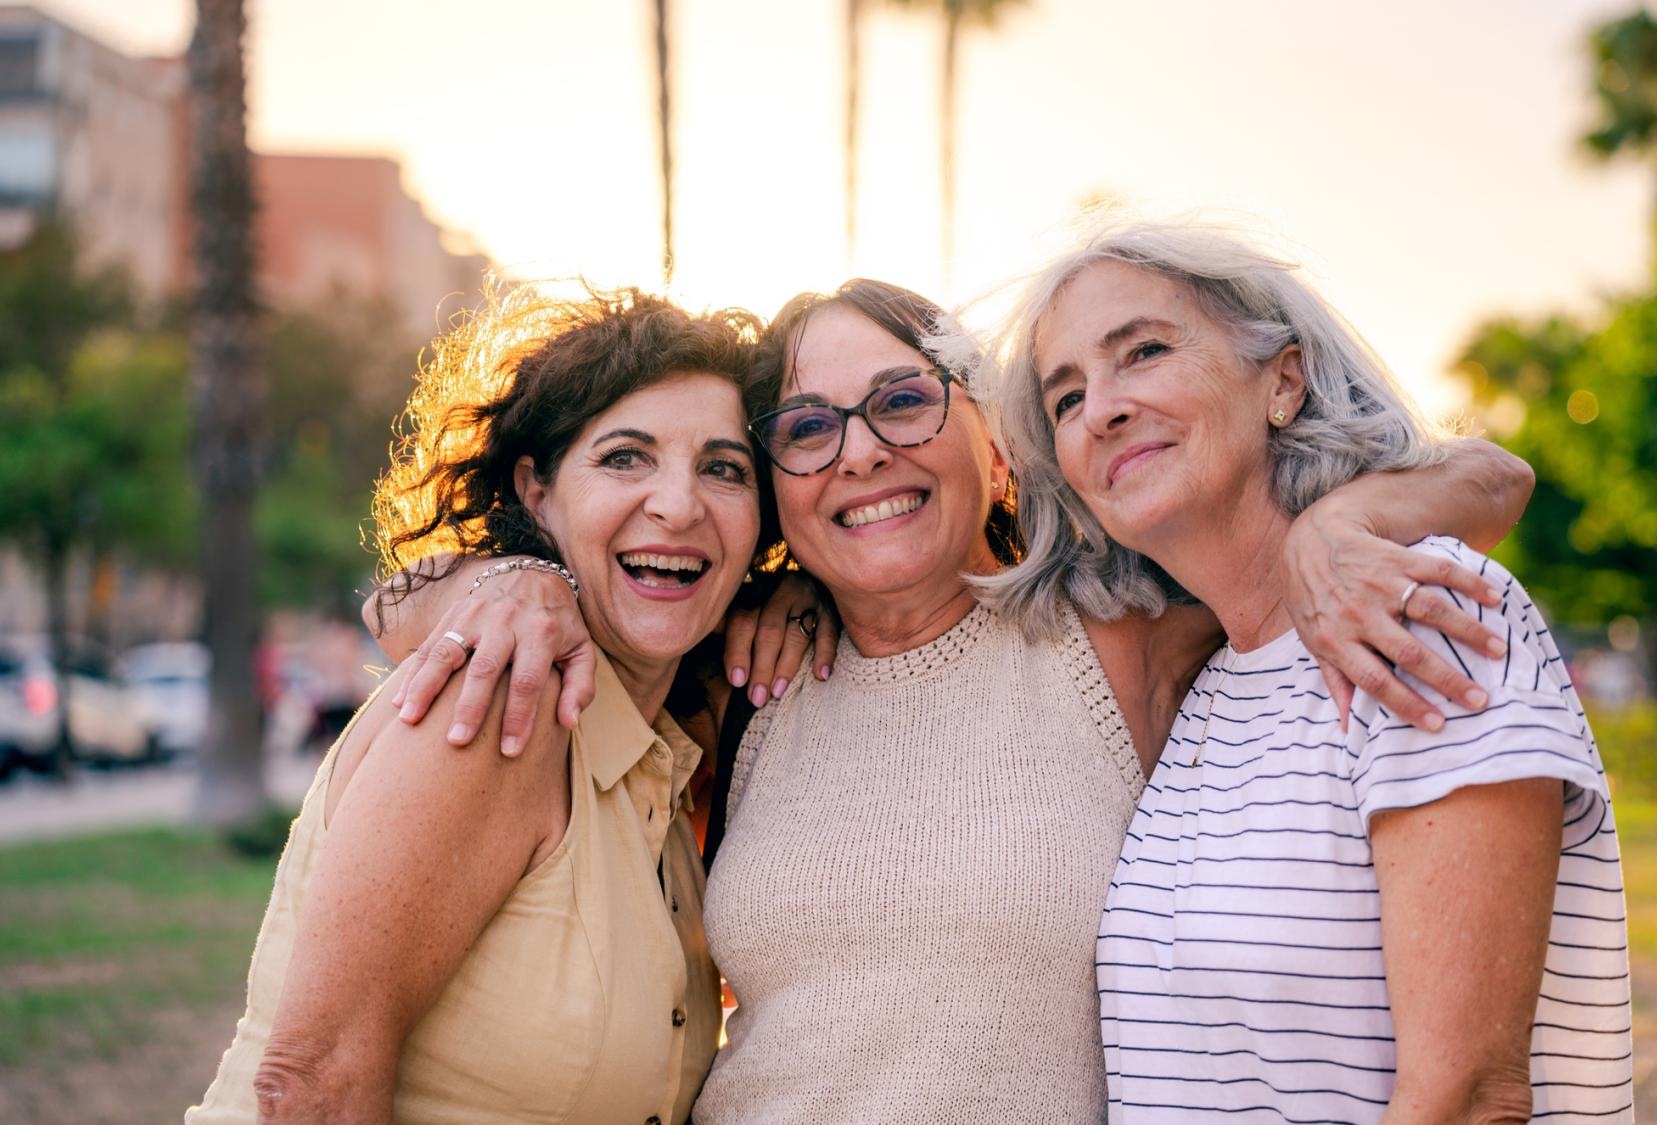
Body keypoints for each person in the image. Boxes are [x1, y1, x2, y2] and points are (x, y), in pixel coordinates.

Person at [380, 273, 1535, 1122]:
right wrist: (517, 584)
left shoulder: (1119, 636)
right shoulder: (736, 673)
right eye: (806, 428)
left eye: (903, 402)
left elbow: (1492, 476)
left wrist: (1344, 523)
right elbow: (396, 605)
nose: (861, 452)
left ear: (994, 442)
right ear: (776, 487)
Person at [990, 220, 1632, 1122]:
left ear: (1283, 380)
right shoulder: (1209, 682)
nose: (1101, 408)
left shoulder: (1423, 616)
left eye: (1141, 351)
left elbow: (1468, 1095)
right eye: (1066, 398)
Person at [188, 286, 764, 1124]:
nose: (679, 504)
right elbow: (312, 1081)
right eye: (625, 457)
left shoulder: (671, 760)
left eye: (724, 468)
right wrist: (506, 576)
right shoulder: (501, 704)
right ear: (538, 492)